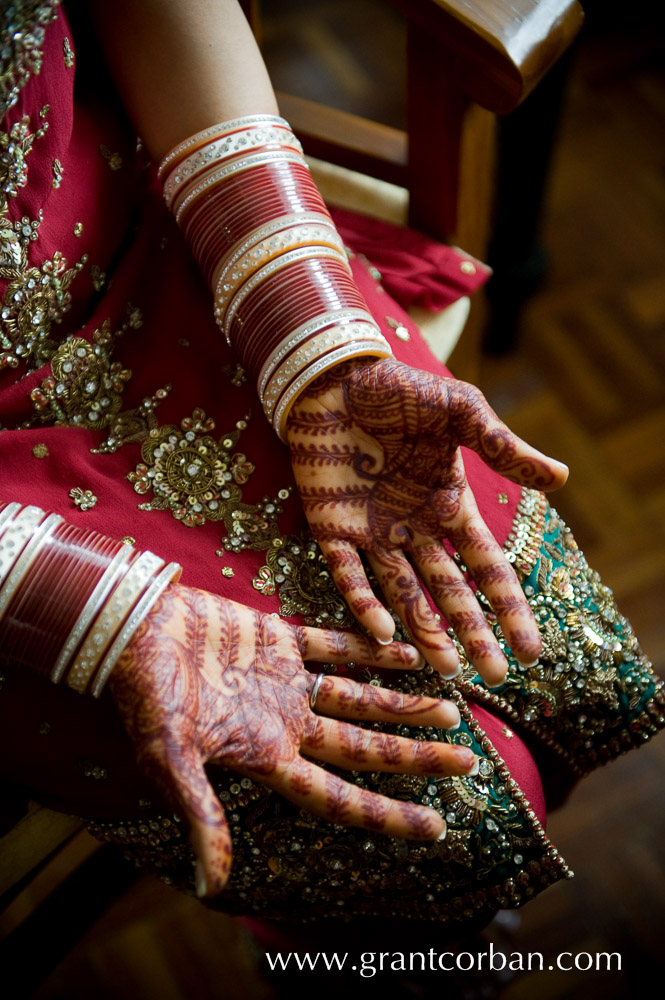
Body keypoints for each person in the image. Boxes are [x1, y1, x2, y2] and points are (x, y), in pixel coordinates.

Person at [0, 0, 662, 927]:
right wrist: (80, 608)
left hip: (151, 232)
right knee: (450, 817)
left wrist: (304, 336)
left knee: (568, 672)